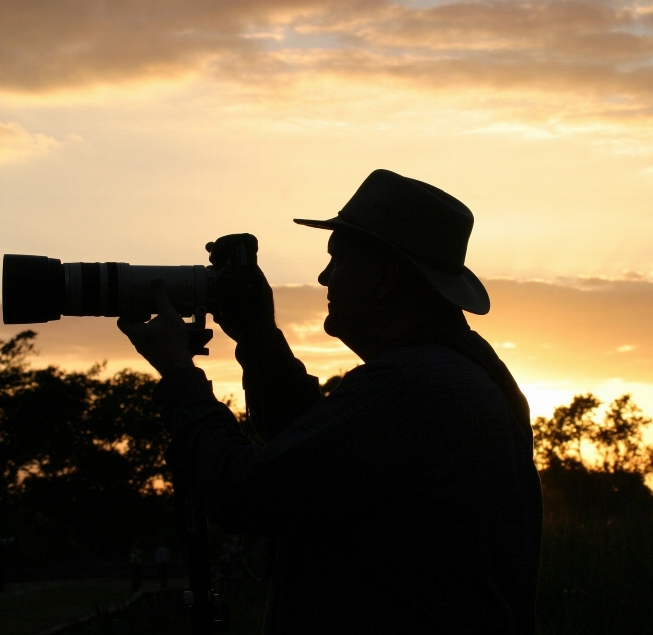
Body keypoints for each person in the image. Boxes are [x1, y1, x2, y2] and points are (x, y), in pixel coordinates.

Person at [118, 169, 542, 634]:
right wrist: (258, 336)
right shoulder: (457, 375)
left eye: (337, 260)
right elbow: (311, 451)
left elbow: (245, 493)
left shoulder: (411, 384)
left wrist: (179, 375)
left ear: (384, 277)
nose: (323, 277)